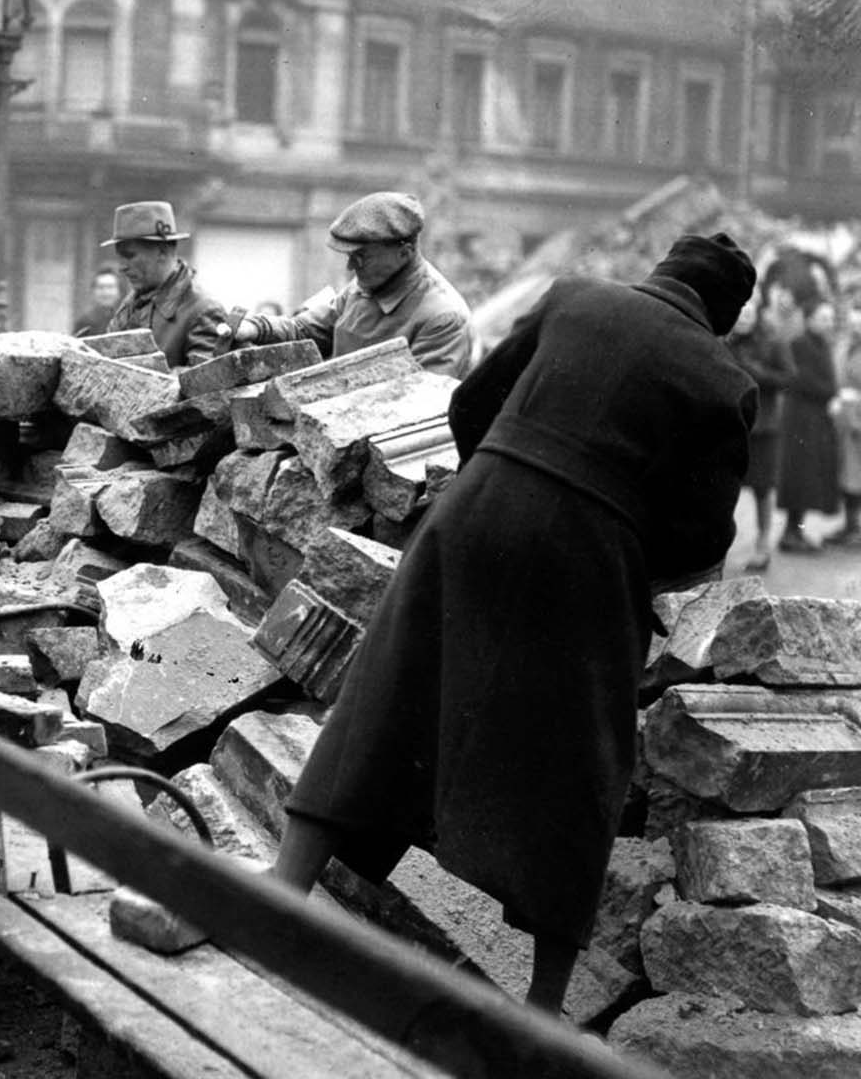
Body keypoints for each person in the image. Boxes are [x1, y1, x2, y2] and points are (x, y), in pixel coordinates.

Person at [269, 233, 757, 1017]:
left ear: (661, 271)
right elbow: (703, 537)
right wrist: (619, 543)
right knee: (581, 765)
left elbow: (469, 403)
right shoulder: (724, 378)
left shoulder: (575, 295)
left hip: (479, 508)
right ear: (723, 316)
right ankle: (542, 1000)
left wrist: (499, 483)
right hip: (593, 556)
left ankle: (284, 889)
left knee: (388, 691)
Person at [229, 192, 472, 377]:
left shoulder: (443, 317)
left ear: (404, 252)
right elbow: (304, 330)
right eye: (349, 257)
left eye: (361, 257)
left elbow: (421, 405)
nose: (351, 267)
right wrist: (255, 328)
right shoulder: (361, 289)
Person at [101, 201, 226, 367]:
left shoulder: (203, 311)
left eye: (130, 256)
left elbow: (204, 383)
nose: (122, 267)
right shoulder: (128, 308)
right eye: (120, 257)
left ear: (162, 252)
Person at [727, 294, 795, 570]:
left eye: (748, 313)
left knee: (762, 488)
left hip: (763, 426)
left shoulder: (773, 340)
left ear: (757, 315)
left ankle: (763, 543)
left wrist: (757, 372)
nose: (743, 317)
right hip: (731, 426)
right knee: (725, 487)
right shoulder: (723, 339)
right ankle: (718, 547)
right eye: (739, 312)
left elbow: (789, 377)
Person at [777, 299, 841, 554]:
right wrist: (832, 392)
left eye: (831, 318)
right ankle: (792, 534)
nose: (829, 323)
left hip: (813, 418)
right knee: (799, 476)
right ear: (810, 319)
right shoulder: (800, 344)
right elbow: (804, 380)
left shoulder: (820, 343)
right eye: (824, 318)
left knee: (806, 477)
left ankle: (794, 533)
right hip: (801, 419)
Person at [832, 295, 861, 549]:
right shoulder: (844, 344)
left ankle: (856, 527)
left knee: (856, 474)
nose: (855, 326)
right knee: (847, 474)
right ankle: (850, 525)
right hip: (844, 418)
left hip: (858, 419)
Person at [73, 267, 124, 337]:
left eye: (110, 287)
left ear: (119, 292)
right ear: (93, 292)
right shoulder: (84, 322)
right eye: (101, 287)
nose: (106, 292)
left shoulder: (127, 320)